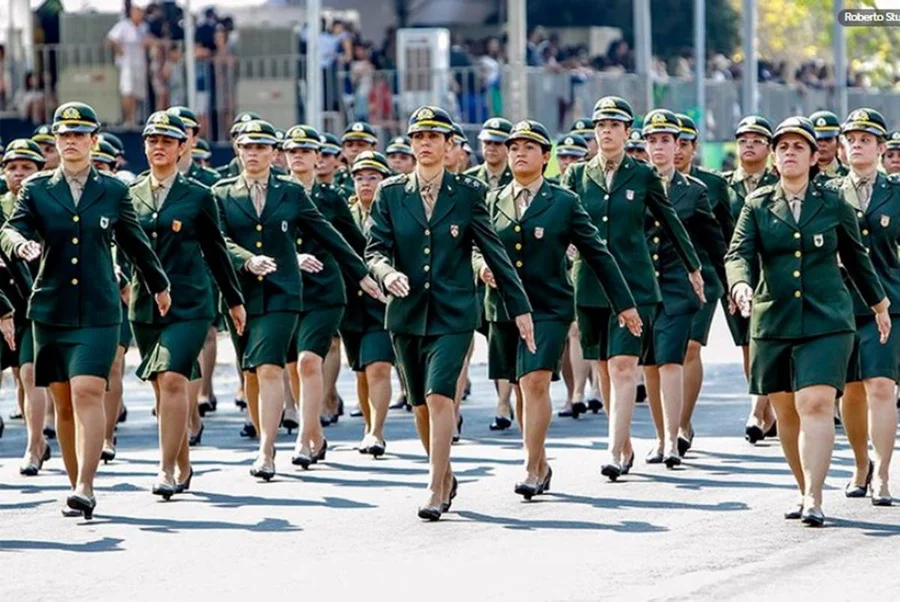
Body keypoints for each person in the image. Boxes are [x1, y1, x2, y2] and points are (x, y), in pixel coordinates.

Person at [0, 102, 171, 519]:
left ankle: (86, 485)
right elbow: (10, 227)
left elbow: (133, 241)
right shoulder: (38, 189)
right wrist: (18, 245)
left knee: (86, 390)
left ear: (94, 142)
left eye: (79, 135)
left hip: (99, 307)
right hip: (51, 309)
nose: (71, 142)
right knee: (62, 401)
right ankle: (76, 480)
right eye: (64, 135)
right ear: (56, 143)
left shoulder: (112, 191)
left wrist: (158, 284)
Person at [366, 105, 534, 520]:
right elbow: (375, 250)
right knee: (420, 405)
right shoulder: (390, 193)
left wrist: (520, 308)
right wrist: (387, 275)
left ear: (449, 146)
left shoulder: (467, 193)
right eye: (418, 137)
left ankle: (433, 488)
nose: (425, 144)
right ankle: (444, 473)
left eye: (433, 138)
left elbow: (493, 251)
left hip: (454, 313)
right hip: (406, 313)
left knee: (441, 395)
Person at [726, 115, 890, 527]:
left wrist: (879, 305)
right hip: (773, 318)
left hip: (827, 318)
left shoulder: (833, 202)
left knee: (814, 401)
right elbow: (738, 254)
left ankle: (815, 496)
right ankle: (803, 487)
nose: (790, 153)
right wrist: (741, 285)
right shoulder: (757, 203)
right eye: (783, 147)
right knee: (785, 410)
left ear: (815, 156)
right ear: (774, 158)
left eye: (799, 146)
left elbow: (856, 258)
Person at [477, 119, 640, 498]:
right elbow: (474, 245)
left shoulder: (563, 201)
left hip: (548, 306)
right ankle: (540, 460)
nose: (518, 152)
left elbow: (597, 254)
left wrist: (625, 304)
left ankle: (530, 467)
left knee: (534, 380)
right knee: (520, 386)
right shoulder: (492, 198)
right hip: (502, 307)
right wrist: (479, 266)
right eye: (513, 147)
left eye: (528, 147)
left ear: (546, 157)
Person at [213, 119, 380, 481]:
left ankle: (268, 451)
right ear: (238, 152)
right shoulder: (223, 193)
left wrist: (364, 274)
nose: (253, 153)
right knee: (253, 373)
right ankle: (299, 435)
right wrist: (246, 259)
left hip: (285, 293)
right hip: (241, 293)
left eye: (261, 147)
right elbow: (218, 240)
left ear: (273, 154)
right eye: (246, 147)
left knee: (274, 366)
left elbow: (330, 234)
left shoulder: (290, 192)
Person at [562, 96, 702, 481]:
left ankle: (612, 450)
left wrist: (693, 267)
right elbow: (560, 221)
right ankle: (622, 442)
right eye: (600, 125)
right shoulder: (576, 176)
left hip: (635, 286)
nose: (606, 131)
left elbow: (670, 221)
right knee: (605, 369)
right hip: (590, 285)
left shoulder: (641, 176)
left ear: (627, 133)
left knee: (625, 366)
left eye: (614, 125)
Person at [129, 111, 246, 498]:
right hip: (145, 305)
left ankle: (164, 469)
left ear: (183, 148)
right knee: (161, 388)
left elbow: (216, 252)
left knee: (174, 378)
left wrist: (233, 301)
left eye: (167, 141)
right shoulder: (130, 195)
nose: (158, 147)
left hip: (191, 305)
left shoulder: (198, 195)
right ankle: (181, 462)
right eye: (152, 140)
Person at [640, 110, 727, 467]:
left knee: (671, 359)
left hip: (680, 285)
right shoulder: (633, 184)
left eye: (666, 140)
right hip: (642, 286)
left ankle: (675, 438)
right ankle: (660, 436)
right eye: (653, 140)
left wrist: (733, 282)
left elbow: (714, 240)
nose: (660, 147)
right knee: (649, 363)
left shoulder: (695, 192)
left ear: (678, 145)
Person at [281, 124, 367, 467]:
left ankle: (304, 438)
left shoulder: (331, 199)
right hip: (284, 291)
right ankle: (314, 431)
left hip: (324, 290)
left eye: (305, 150)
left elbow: (353, 243)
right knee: (291, 366)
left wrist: (373, 274)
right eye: (292, 150)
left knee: (308, 361)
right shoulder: (274, 194)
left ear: (319, 157)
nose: (298, 156)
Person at [828, 108, 899, 507]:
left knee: (880, 386)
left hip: (889, 301)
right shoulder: (828, 191)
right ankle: (860, 465)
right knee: (850, 391)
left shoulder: (896, 191)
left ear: (881, 148)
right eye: (851, 139)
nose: (857, 144)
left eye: (865, 139)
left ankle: (884, 473)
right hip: (839, 302)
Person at [673, 114, 735, 456]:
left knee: (691, 348)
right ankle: (666, 426)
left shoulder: (711, 186)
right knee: (664, 356)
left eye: (685, 143)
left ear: (694, 148)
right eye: (672, 142)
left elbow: (724, 240)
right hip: (661, 278)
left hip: (704, 279)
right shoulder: (648, 181)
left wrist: (732, 285)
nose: (678, 150)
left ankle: (682, 423)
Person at [721, 115, 780, 444]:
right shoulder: (723, 184)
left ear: (769, 148)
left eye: (757, 140)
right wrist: (730, 281)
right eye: (743, 140)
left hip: (773, 272)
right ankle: (764, 406)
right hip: (738, 274)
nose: (749, 145)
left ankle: (757, 410)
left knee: (766, 340)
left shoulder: (780, 180)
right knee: (747, 344)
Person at [166, 106, 223, 434]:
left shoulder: (209, 181)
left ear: (193, 137)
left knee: (205, 334)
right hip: (168, 271)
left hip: (203, 269)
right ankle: (181, 409)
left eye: (184, 130)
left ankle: (203, 392)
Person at [0, 140, 51, 475]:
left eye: (26, 168)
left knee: (28, 372)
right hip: (3, 301)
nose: (18, 175)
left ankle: (34, 445)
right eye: (12, 168)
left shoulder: (48, 205)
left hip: (38, 302)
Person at [341, 151, 396, 455]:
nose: (365, 183)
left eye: (372, 177)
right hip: (351, 304)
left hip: (383, 303)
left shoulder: (394, 213)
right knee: (361, 371)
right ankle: (367, 424)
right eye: (360, 178)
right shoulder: (346, 215)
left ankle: (377, 430)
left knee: (378, 367)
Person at [464, 117, 516, 431]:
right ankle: (502, 397)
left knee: (504, 336)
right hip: (476, 271)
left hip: (509, 271)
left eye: (497, 143)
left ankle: (503, 403)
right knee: (489, 337)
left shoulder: (519, 177)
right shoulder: (470, 181)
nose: (491, 148)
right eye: (487, 143)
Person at [552, 133, 594, 418]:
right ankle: (572, 394)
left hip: (589, 266)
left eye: (574, 157)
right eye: (563, 157)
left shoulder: (592, 186)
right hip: (559, 269)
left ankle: (586, 391)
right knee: (568, 335)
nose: (567, 162)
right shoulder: (552, 190)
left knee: (583, 330)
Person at [106, 4, 151, 127]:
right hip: (127, 64)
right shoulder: (123, 25)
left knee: (137, 92)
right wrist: (118, 49)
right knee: (127, 91)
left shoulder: (144, 27)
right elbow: (110, 39)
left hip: (140, 64)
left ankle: (134, 119)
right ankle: (127, 120)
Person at [334, 122, 378, 197]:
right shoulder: (336, 180)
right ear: (343, 150)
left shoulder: (385, 178)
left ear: (373, 148)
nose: (354, 149)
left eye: (361, 145)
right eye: (349, 145)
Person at [809, 110, 848, 182]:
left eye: (828, 139)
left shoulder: (848, 176)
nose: (822, 144)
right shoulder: (802, 175)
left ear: (838, 143)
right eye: (818, 139)